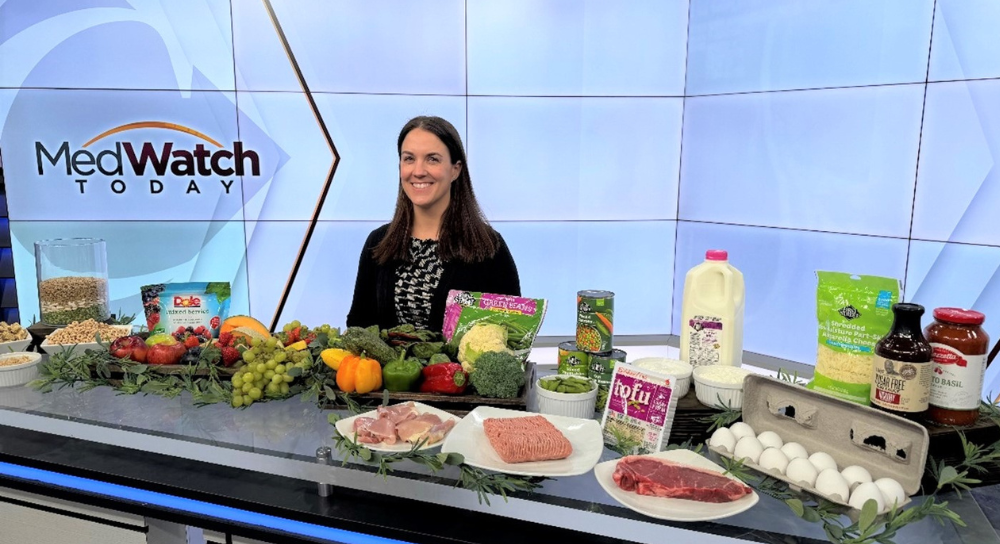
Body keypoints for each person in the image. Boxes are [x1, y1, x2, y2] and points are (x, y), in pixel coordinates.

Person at [346, 116, 521, 333]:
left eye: (432, 159)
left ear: (455, 170)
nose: (418, 171)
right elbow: (358, 325)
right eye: (409, 159)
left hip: (460, 368)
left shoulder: (488, 246)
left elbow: (511, 334)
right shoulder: (378, 242)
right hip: (388, 368)